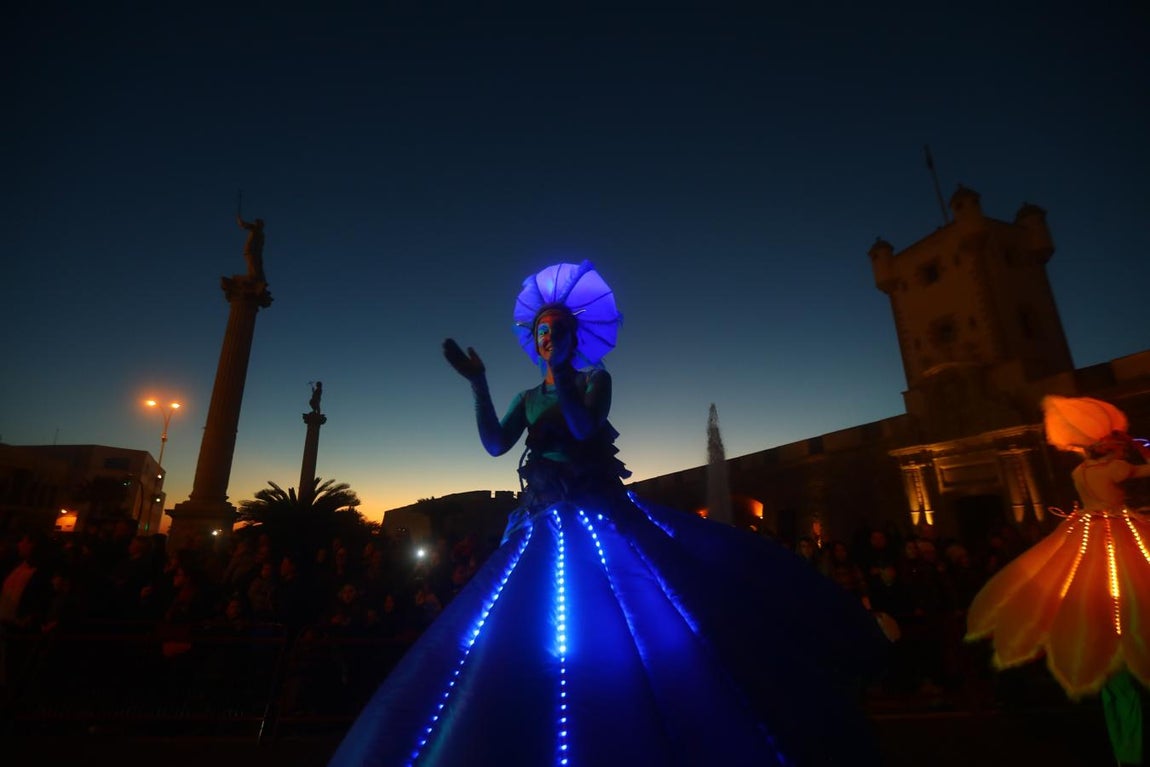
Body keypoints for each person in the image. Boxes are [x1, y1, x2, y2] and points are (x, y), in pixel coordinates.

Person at [327, 260, 887, 767]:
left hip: (594, 509)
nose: (548, 338)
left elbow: (581, 429)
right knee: (521, 622)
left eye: (557, 331)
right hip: (539, 513)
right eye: (541, 332)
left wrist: (563, 379)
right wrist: (478, 385)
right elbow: (497, 445)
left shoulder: (596, 380)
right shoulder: (527, 397)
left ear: (573, 337)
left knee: (628, 613)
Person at [966, 395, 1150, 765]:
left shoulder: (1080, 472)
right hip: (1118, 532)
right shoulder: (1115, 469)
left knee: (1083, 587)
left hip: (1088, 534)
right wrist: (1140, 449)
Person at [236, 214, 266, 281]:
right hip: (253, 252)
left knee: (253, 263)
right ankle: (255, 277)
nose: (254, 223)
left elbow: (243, 224)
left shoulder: (257, 231)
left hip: (253, 251)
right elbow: (243, 225)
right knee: (253, 263)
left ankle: (254, 277)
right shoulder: (261, 234)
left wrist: (238, 219)